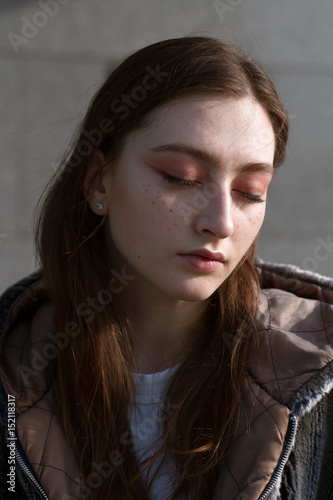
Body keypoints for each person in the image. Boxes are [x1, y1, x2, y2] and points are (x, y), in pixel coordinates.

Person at [0, 36, 333, 500]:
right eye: (182, 177)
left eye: (250, 191)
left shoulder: (320, 370)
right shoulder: (12, 373)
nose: (220, 222)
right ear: (99, 179)